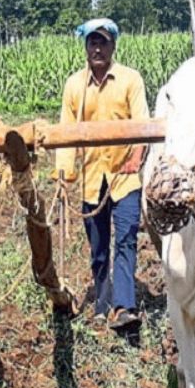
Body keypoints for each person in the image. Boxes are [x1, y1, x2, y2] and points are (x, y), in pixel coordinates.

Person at [54, 18, 149, 331]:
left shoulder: (130, 80)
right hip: (92, 179)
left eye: (103, 42)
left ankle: (124, 307)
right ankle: (102, 302)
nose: (97, 48)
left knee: (125, 240)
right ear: (86, 46)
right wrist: (64, 174)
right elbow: (66, 132)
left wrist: (136, 158)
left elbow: (143, 126)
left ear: (113, 46)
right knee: (98, 249)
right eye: (92, 42)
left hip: (125, 178)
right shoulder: (74, 86)